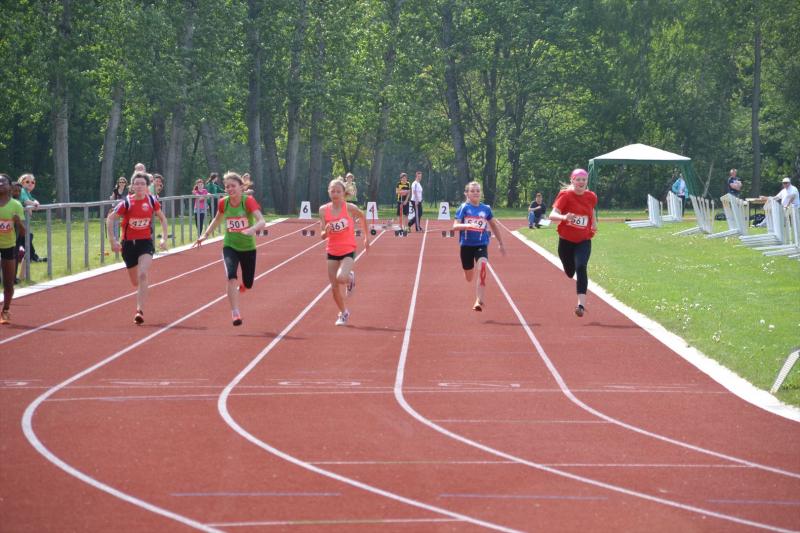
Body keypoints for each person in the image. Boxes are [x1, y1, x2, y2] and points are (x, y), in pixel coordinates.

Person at [194, 171, 266, 326]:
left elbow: (262, 221)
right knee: (231, 276)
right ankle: (235, 312)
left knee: (248, 283)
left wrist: (252, 229)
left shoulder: (248, 201)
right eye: (227, 187)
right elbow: (217, 219)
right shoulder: (223, 203)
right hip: (230, 246)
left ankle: (244, 286)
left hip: (248, 247)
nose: (230, 189)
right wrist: (205, 235)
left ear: (241, 187)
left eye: (233, 186)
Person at [106, 172, 168, 325]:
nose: (140, 186)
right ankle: (141, 291)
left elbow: (162, 218)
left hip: (145, 243)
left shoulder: (152, 201)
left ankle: (139, 310)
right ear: (132, 186)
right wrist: (112, 240)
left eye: (143, 184)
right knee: (135, 282)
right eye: (137, 183)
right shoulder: (126, 203)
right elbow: (110, 219)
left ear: (147, 187)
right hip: (128, 245)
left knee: (143, 274)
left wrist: (164, 238)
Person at [319, 179, 369, 326]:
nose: (335, 194)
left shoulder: (350, 208)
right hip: (332, 250)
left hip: (348, 248)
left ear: (343, 193)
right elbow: (322, 235)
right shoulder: (323, 210)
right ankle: (344, 313)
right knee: (334, 288)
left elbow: (362, 217)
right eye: (332, 191)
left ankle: (349, 278)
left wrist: (366, 237)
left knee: (341, 278)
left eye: (338, 191)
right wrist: (326, 231)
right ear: (329, 192)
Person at [548, 168, 597, 317]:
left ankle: (580, 305)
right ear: (572, 180)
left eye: (584, 180)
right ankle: (570, 268)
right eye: (578, 179)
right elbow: (552, 215)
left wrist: (594, 224)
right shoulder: (565, 195)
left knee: (581, 266)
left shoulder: (591, 196)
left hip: (584, 240)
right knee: (570, 272)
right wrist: (564, 218)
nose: (581, 182)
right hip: (566, 241)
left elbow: (591, 210)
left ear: (587, 181)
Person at [452, 181, 506, 312]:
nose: (476, 193)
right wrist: (467, 226)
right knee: (469, 277)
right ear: (467, 194)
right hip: (466, 246)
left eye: (477, 191)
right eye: (472, 191)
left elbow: (493, 225)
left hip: (481, 244)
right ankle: (468, 271)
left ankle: (479, 300)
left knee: (482, 265)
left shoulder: (486, 209)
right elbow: (455, 226)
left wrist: (501, 243)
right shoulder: (463, 208)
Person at [0, 174, 26, 324]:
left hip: (8, 246)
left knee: (8, 283)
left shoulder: (16, 205)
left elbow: (23, 232)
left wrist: (18, 222)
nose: (0, 184)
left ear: (10, 186)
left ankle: (5, 310)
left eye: (3, 182)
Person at [17, 173, 45, 263]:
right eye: (27, 182)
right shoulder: (22, 190)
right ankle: (26, 257)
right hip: (19, 218)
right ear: (22, 183)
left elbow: (32, 199)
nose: (30, 184)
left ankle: (31, 257)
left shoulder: (27, 193)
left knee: (26, 238)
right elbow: (25, 201)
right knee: (26, 237)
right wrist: (34, 204)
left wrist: (35, 202)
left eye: (32, 182)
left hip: (23, 218)